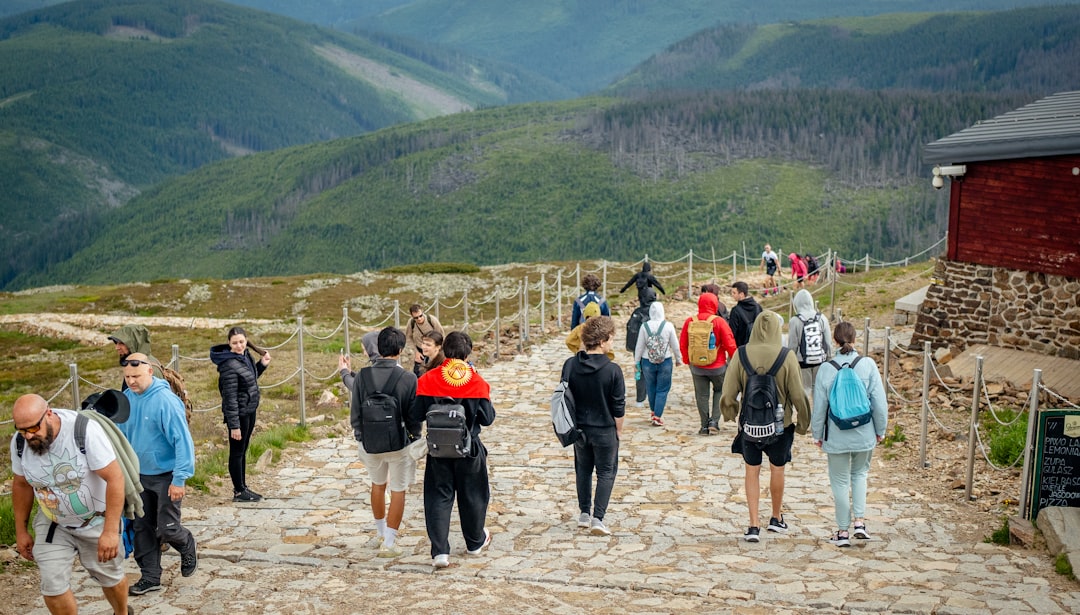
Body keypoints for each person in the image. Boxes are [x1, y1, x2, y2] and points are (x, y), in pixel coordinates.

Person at [10, 394, 131, 615]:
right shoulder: (20, 443)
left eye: (33, 429)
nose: (28, 436)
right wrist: (21, 530)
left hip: (97, 519)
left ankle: (122, 612)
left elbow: (115, 478)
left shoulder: (84, 431)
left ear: (48, 413)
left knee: (110, 578)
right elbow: (21, 485)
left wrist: (110, 531)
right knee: (52, 586)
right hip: (54, 522)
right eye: (22, 430)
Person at [720, 311, 810, 542]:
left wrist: (729, 413)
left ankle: (753, 525)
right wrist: (803, 423)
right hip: (781, 425)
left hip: (750, 425)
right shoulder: (786, 356)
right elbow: (798, 394)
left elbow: (728, 393)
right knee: (777, 469)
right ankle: (776, 517)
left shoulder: (741, 354)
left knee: (752, 471)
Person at [410, 332, 495, 568]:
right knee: (474, 495)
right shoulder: (476, 381)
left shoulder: (428, 379)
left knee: (438, 496)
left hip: (439, 448)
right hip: (469, 449)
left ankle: (440, 552)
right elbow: (488, 418)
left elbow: (416, 414)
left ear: (444, 351)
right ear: (467, 354)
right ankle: (475, 541)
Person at [117, 353, 198, 596]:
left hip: (167, 476)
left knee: (167, 529)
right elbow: (120, 439)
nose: (132, 381)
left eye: (137, 376)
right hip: (138, 476)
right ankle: (150, 577)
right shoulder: (127, 400)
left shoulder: (165, 400)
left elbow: (183, 441)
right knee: (142, 528)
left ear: (150, 372)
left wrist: (180, 478)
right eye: (128, 377)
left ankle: (186, 543)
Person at [339, 326, 420, 558]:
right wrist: (412, 439)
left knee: (377, 485)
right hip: (399, 444)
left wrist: (360, 437)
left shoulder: (362, 376)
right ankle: (391, 542)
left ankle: (379, 533)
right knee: (398, 490)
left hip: (370, 443)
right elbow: (413, 416)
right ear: (401, 349)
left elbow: (355, 411)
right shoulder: (408, 378)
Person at [812, 322, 888, 547]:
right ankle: (860, 523)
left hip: (836, 435)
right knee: (860, 475)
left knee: (840, 481)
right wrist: (880, 430)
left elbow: (820, 407)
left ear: (834, 341)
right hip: (864, 432)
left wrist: (817, 434)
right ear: (855, 339)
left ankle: (843, 532)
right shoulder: (868, 364)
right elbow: (880, 403)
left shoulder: (826, 368)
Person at [562, 316, 625, 536]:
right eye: (612, 339)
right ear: (603, 340)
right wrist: (618, 430)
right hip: (604, 428)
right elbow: (619, 406)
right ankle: (598, 518)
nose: (613, 342)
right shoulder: (613, 370)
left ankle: (584, 513)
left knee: (583, 469)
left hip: (579, 428)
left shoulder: (570, 365)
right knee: (606, 472)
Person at [210, 326, 272, 503]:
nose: (239, 345)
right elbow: (229, 398)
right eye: (235, 343)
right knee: (237, 452)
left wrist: (262, 365)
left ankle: (243, 487)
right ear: (229, 343)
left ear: (246, 341)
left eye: (242, 342)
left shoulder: (245, 356)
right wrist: (234, 425)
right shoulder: (228, 365)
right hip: (238, 414)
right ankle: (238, 491)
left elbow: (250, 379)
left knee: (243, 450)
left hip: (249, 410)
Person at [679, 292, 737, 435]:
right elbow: (730, 343)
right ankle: (714, 422)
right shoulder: (719, 321)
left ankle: (704, 425)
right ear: (715, 304)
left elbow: (683, 344)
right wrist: (734, 360)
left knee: (701, 395)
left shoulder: (689, 321)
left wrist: (688, 361)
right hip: (717, 366)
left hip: (697, 367)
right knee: (720, 390)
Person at [634, 301, 682, 426]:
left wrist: (636, 362)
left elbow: (639, 346)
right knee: (663, 389)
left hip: (647, 361)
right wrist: (678, 359)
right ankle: (658, 415)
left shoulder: (645, 326)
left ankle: (653, 411)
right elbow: (675, 345)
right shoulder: (668, 326)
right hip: (665, 360)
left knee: (651, 387)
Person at [788, 289, 832, 402]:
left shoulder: (794, 320)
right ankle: (818, 416)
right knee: (818, 390)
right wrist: (829, 359)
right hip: (820, 359)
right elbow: (828, 342)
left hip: (802, 361)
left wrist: (790, 363)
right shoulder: (822, 318)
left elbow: (792, 345)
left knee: (805, 389)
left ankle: (804, 416)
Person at [625, 288, 657, 408]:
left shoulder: (637, 312)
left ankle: (640, 398)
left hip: (638, 347)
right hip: (652, 346)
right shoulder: (656, 312)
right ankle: (652, 395)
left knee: (640, 372)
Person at [404, 303, 444, 377]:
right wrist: (416, 352)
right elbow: (408, 337)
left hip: (434, 350)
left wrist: (438, 350)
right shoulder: (411, 323)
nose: (419, 319)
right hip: (420, 351)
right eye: (416, 318)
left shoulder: (432, 320)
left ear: (423, 312)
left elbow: (441, 335)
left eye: (420, 316)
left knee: (436, 372)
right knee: (417, 374)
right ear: (412, 316)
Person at [728, 281, 763, 347]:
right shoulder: (758, 307)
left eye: (734, 293)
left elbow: (732, 332)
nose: (732, 295)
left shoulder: (735, 311)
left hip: (742, 349)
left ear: (741, 294)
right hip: (757, 346)